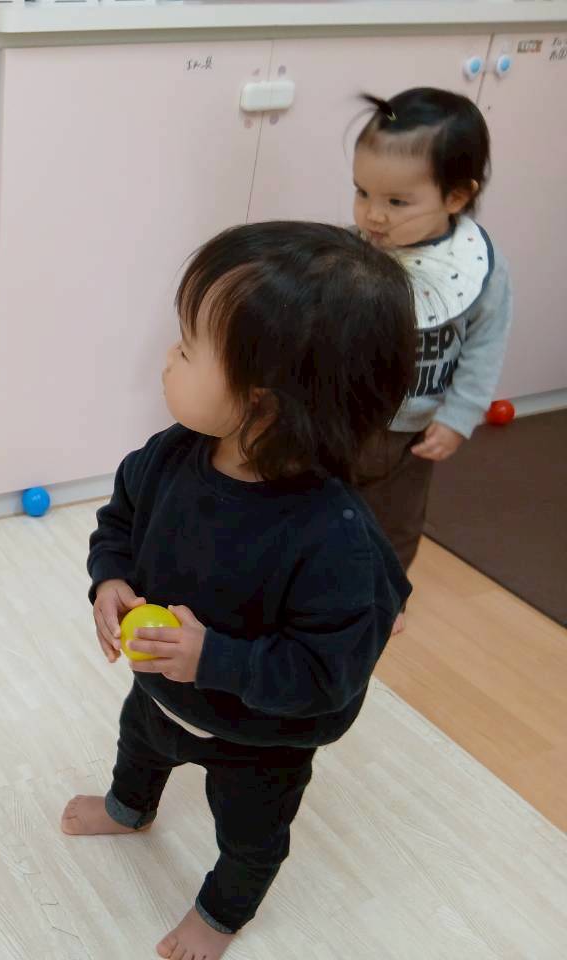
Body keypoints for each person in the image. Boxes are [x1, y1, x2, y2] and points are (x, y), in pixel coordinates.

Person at [61, 222, 415, 959]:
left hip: (260, 738)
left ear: (263, 402)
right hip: (162, 692)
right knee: (138, 746)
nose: (168, 357)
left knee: (251, 834)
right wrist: (111, 578)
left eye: (189, 348)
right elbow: (120, 518)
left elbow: (325, 676)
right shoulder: (171, 456)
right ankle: (130, 809)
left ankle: (221, 914)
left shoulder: (333, 540)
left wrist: (212, 659)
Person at [350, 88, 512, 596]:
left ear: (456, 197)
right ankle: (315, 589)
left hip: (414, 430)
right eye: (362, 192)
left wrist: (459, 416)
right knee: (318, 504)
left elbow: (485, 346)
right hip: (345, 417)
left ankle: (384, 596)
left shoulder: (477, 266)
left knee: (395, 522)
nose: (373, 215)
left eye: (397, 202)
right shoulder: (355, 250)